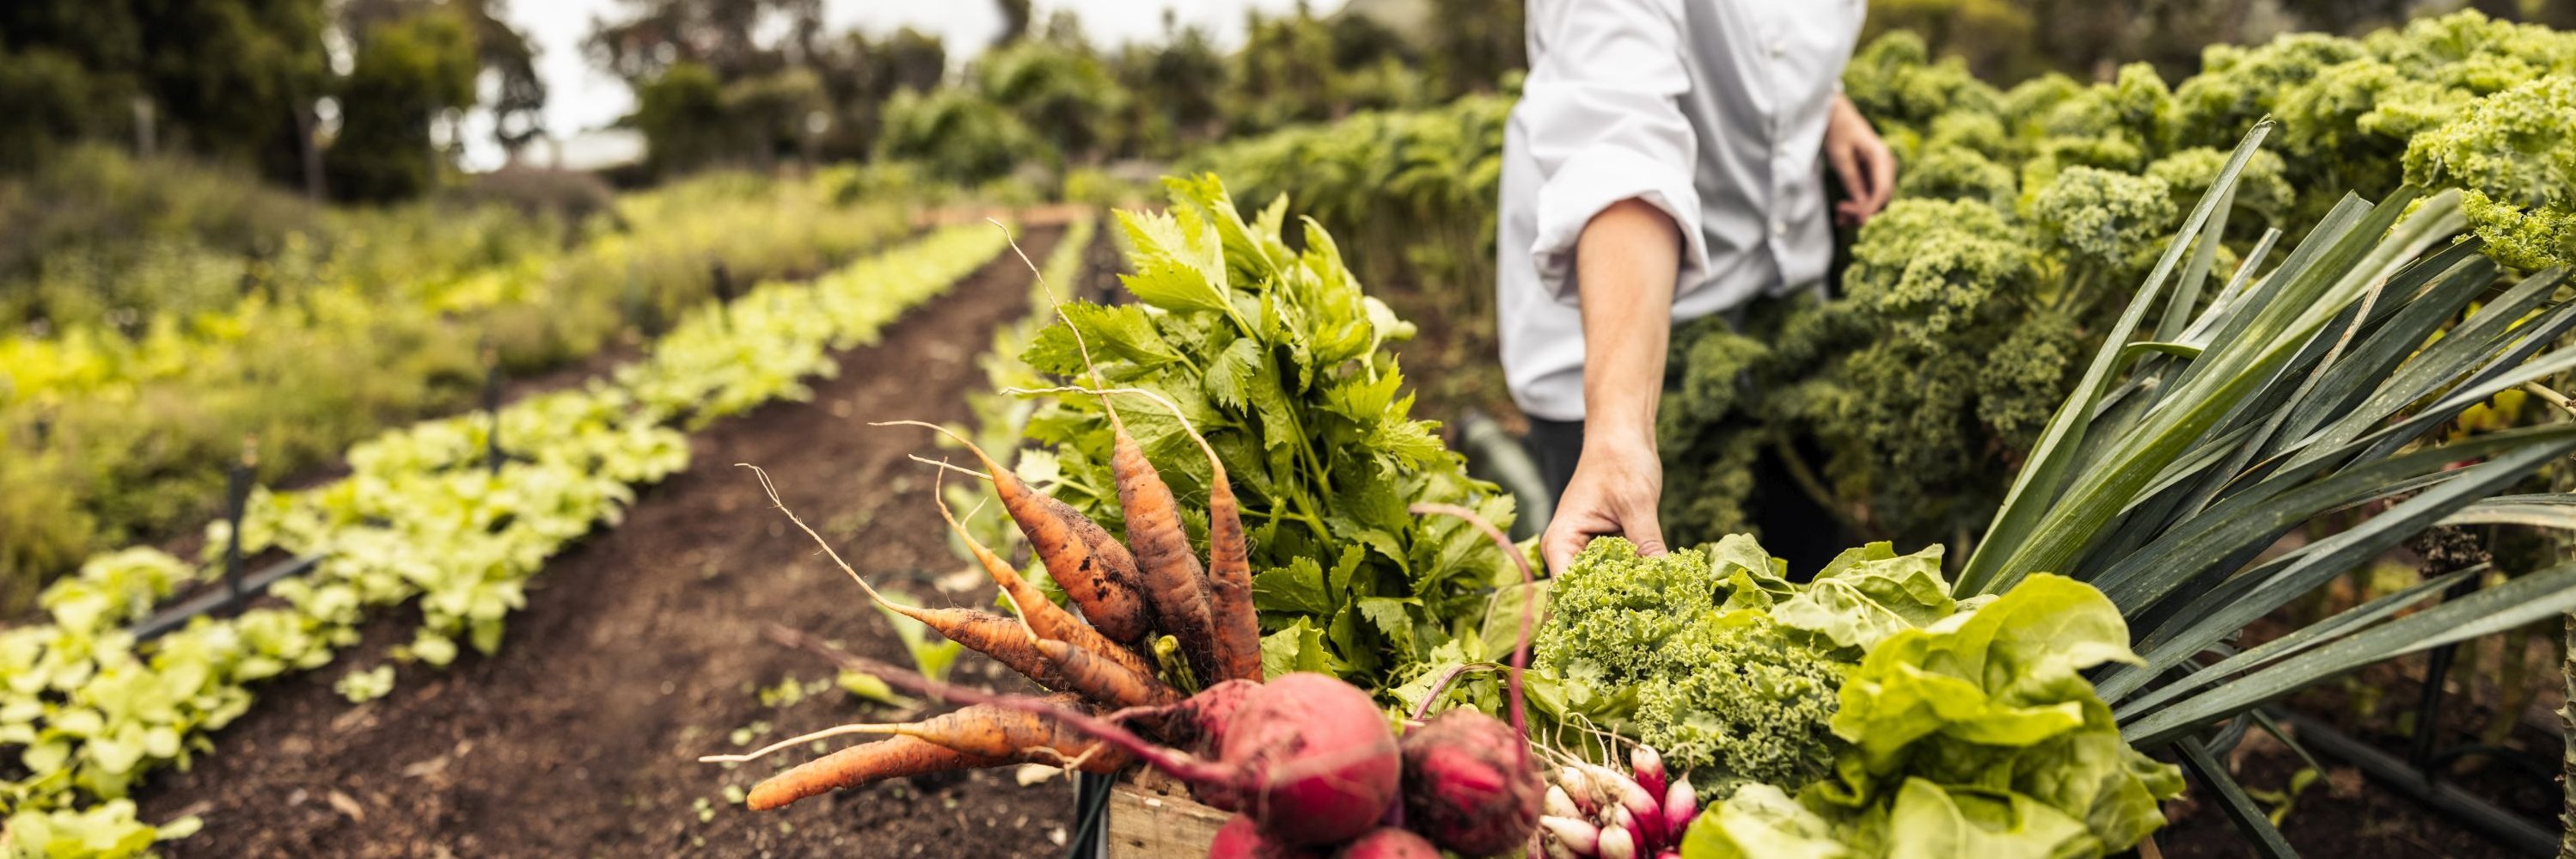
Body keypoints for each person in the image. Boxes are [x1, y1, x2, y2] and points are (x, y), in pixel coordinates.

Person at [1497, 0, 1897, 574]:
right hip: (1618, 335)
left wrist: (1823, 104)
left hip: (1780, 311)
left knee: (1806, 565)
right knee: (1641, 616)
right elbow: (1620, 148)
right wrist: (1618, 436)